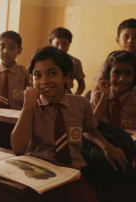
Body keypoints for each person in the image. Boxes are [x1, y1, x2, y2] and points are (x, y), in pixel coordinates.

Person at [10, 46, 127, 201]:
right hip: (39, 175)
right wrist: (27, 108)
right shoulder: (32, 106)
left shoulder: (81, 104)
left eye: (52, 73)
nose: (44, 81)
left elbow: (89, 130)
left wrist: (107, 146)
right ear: (32, 79)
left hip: (72, 173)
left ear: (66, 76)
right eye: (37, 75)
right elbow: (18, 148)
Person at [91, 51, 136, 129]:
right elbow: (92, 124)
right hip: (101, 138)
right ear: (109, 74)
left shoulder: (134, 102)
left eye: (128, 74)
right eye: (117, 73)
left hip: (127, 140)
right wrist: (104, 96)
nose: (122, 79)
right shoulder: (98, 96)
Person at [92, 18, 136, 98]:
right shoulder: (111, 60)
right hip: (109, 103)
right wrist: (94, 106)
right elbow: (97, 87)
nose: (130, 41)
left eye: (135, 37)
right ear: (118, 40)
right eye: (126, 37)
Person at [49, 27, 86, 95]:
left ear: (69, 43)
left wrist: (74, 98)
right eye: (57, 44)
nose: (61, 48)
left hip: (67, 96)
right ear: (51, 44)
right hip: (48, 95)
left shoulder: (75, 62)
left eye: (65, 44)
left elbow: (82, 85)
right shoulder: (46, 62)